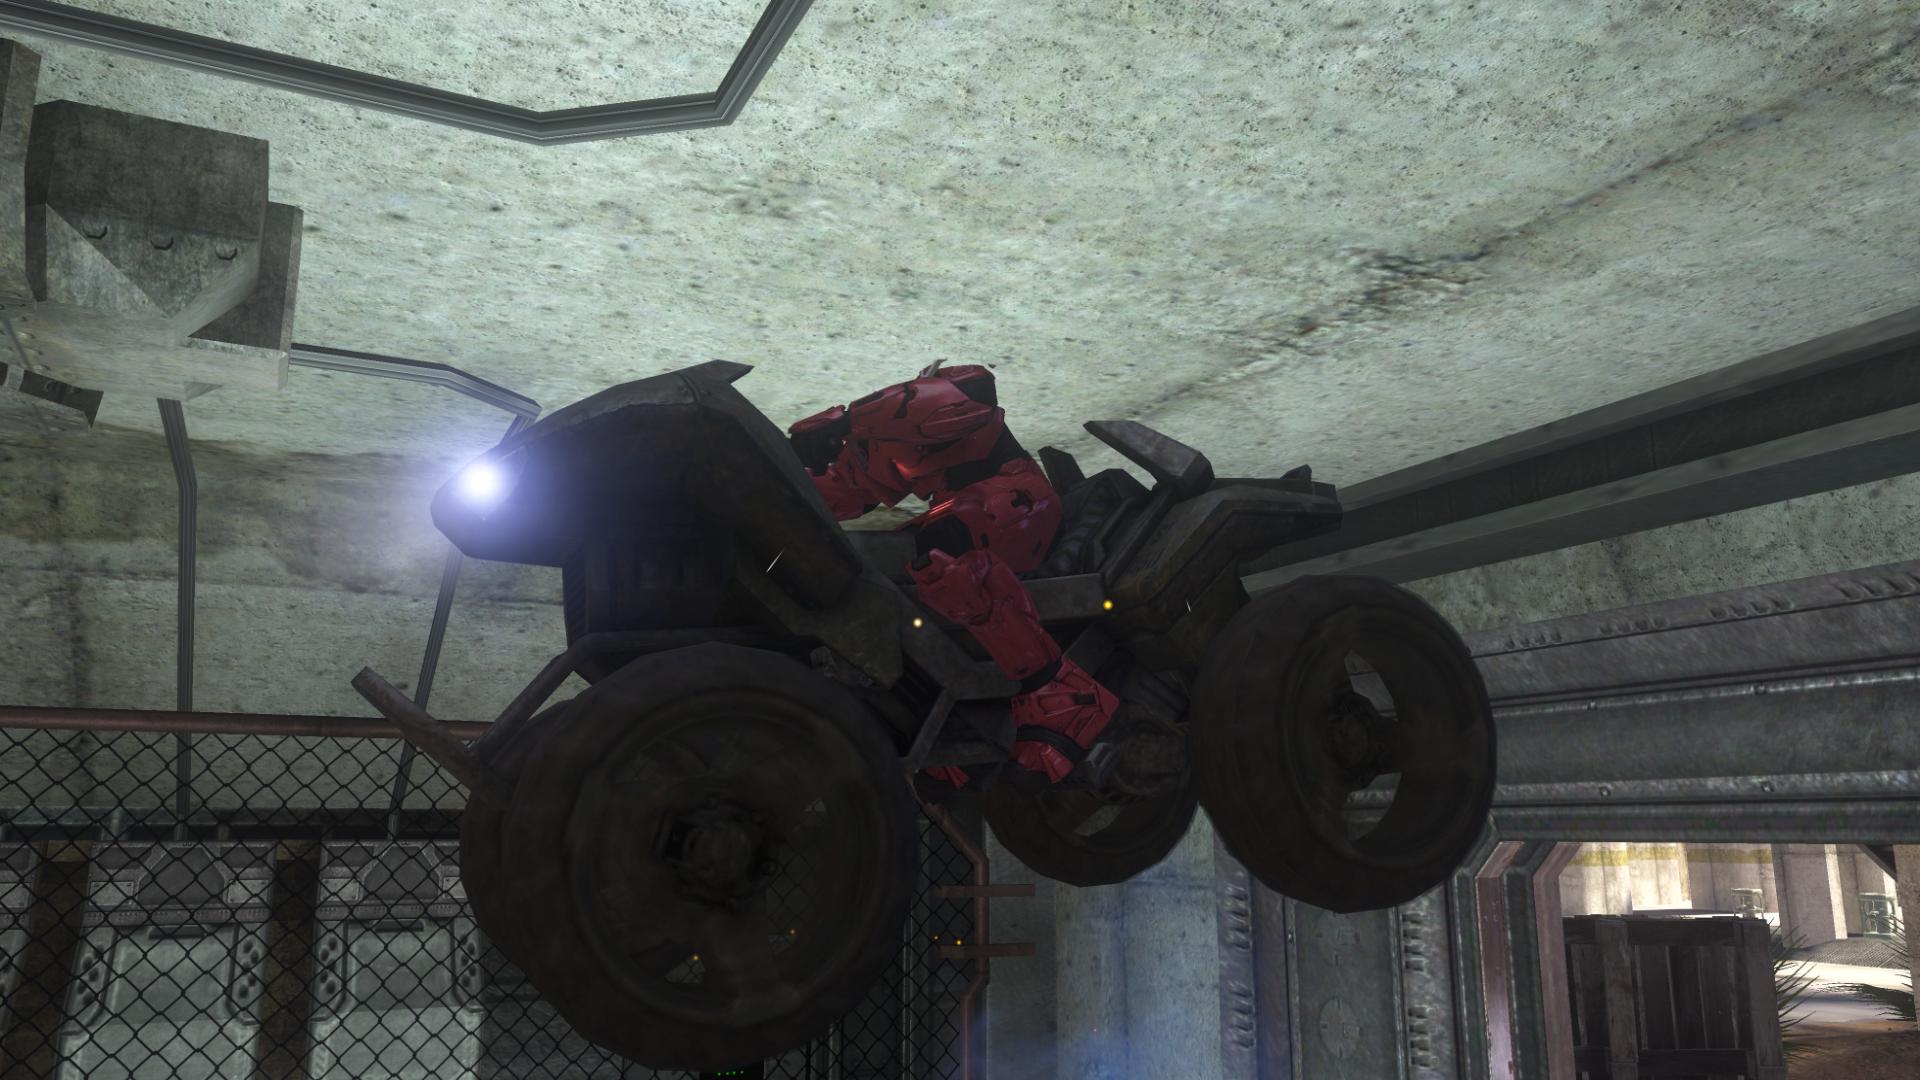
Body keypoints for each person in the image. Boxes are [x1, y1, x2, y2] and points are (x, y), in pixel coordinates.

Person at [788, 360, 1117, 789]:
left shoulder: (953, 393)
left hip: (1016, 498)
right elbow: (846, 493)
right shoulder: (877, 440)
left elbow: (945, 398)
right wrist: (787, 478)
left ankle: (1059, 692)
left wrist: (845, 422)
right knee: (884, 569)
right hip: (959, 510)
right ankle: (944, 721)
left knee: (945, 548)